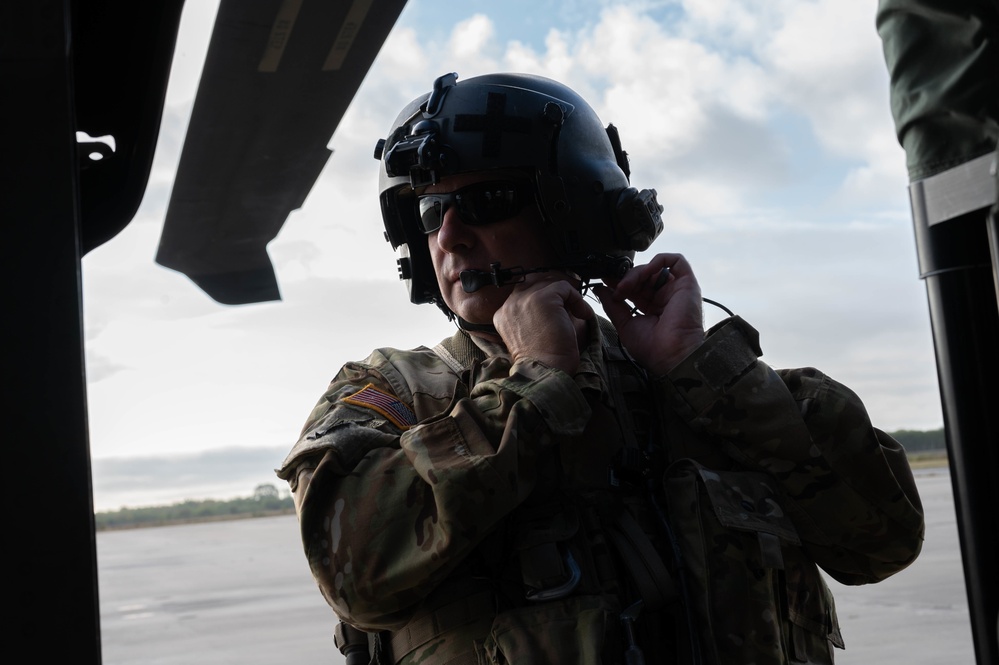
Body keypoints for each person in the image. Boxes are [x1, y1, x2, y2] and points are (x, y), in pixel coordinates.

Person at [277, 72, 925, 665]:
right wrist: (527, 388)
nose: (448, 237)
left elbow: (882, 540)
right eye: (428, 211)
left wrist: (703, 370)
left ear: (572, 208)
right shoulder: (391, 396)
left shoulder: (705, 391)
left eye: (487, 201)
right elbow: (351, 574)